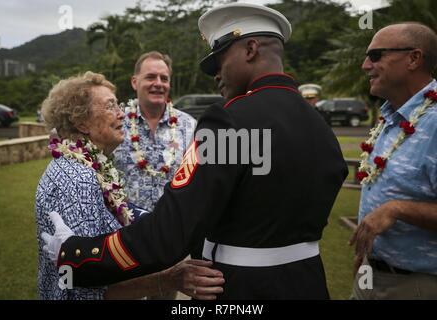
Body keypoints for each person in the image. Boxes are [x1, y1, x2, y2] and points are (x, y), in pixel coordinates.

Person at [42, 3, 348, 299]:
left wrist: (77, 255)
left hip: (241, 289)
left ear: (251, 50)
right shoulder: (318, 123)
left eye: (219, 61)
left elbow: (170, 234)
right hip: (308, 282)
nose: (215, 75)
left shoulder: (231, 121)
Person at [36, 71, 223, 299]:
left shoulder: (93, 167)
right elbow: (80, 286)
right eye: (110, 107)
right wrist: (169, 280)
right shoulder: (77, 178)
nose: (121, 114)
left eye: (119, 105)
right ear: (81, 122)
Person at [350, 22, 437, 299]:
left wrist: (397, 209)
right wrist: (367, 258)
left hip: (417, 283)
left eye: (376, 55)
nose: (365, 65)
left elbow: (393, 205)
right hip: (370, 273)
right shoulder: (391, 117)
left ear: (413, 58)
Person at [113, 51, 197, 299]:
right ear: (134, 82)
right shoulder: (114, 122)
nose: (158, 83)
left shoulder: (188, 125)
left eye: (164, 78)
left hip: (169, 241)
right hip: (122, 238)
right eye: (151, 76)